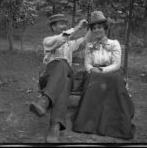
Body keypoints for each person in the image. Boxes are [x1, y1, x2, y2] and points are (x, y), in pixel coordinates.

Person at [72, 11, 136, 139]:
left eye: (99, 27)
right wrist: (93, 70)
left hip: (110, 73)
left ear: (105, 28)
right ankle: (88, 123)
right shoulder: (90, 45)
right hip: (93, 74)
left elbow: (116, 64)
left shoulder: (114, 43)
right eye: (94, 28)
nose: (96, 30)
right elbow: (88, 65)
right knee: (92, 78)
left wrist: (101, 70)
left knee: (114, 79)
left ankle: (114, 122)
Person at [29, 13, 89, 143]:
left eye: (65, 24)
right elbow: (61, 39)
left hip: (65, 74)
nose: (64, 26)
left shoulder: (70, 45)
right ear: (53, 27)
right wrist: (77, 28)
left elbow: (85, 41)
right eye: (61, 24)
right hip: (48, 77)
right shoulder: (48, 41)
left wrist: (91, 27)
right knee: (65, 79)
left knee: (64, 65)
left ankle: (44, 101)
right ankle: (54, 126)